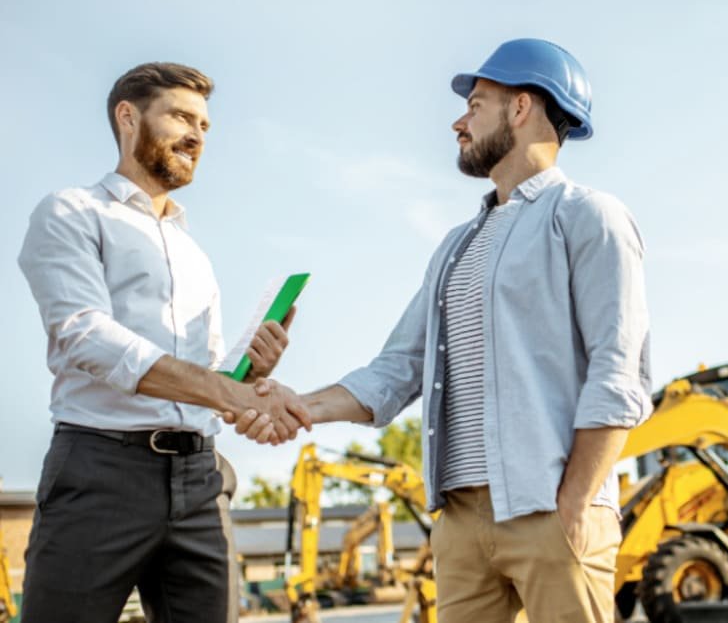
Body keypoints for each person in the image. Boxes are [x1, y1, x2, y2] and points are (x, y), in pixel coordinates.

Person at [235, 38, 652, 622]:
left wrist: (576, 504)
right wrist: (297, 404)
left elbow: (620, 370)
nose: (459, 122)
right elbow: (397, 369)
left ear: (522, 107)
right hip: (459, 520)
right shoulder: (456, 247)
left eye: (476, 104)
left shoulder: (588, 216)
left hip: (550, 509)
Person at [17, 62, 312, 623]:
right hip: (101, 472)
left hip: (201, 483)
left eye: (204, 124)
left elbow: (212, 379)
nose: (197, 135)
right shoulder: (71, 213)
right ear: (127, 118)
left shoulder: (192, 253)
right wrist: (229, 394)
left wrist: (248, 375)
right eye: (180, 116)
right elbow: (86, 334)